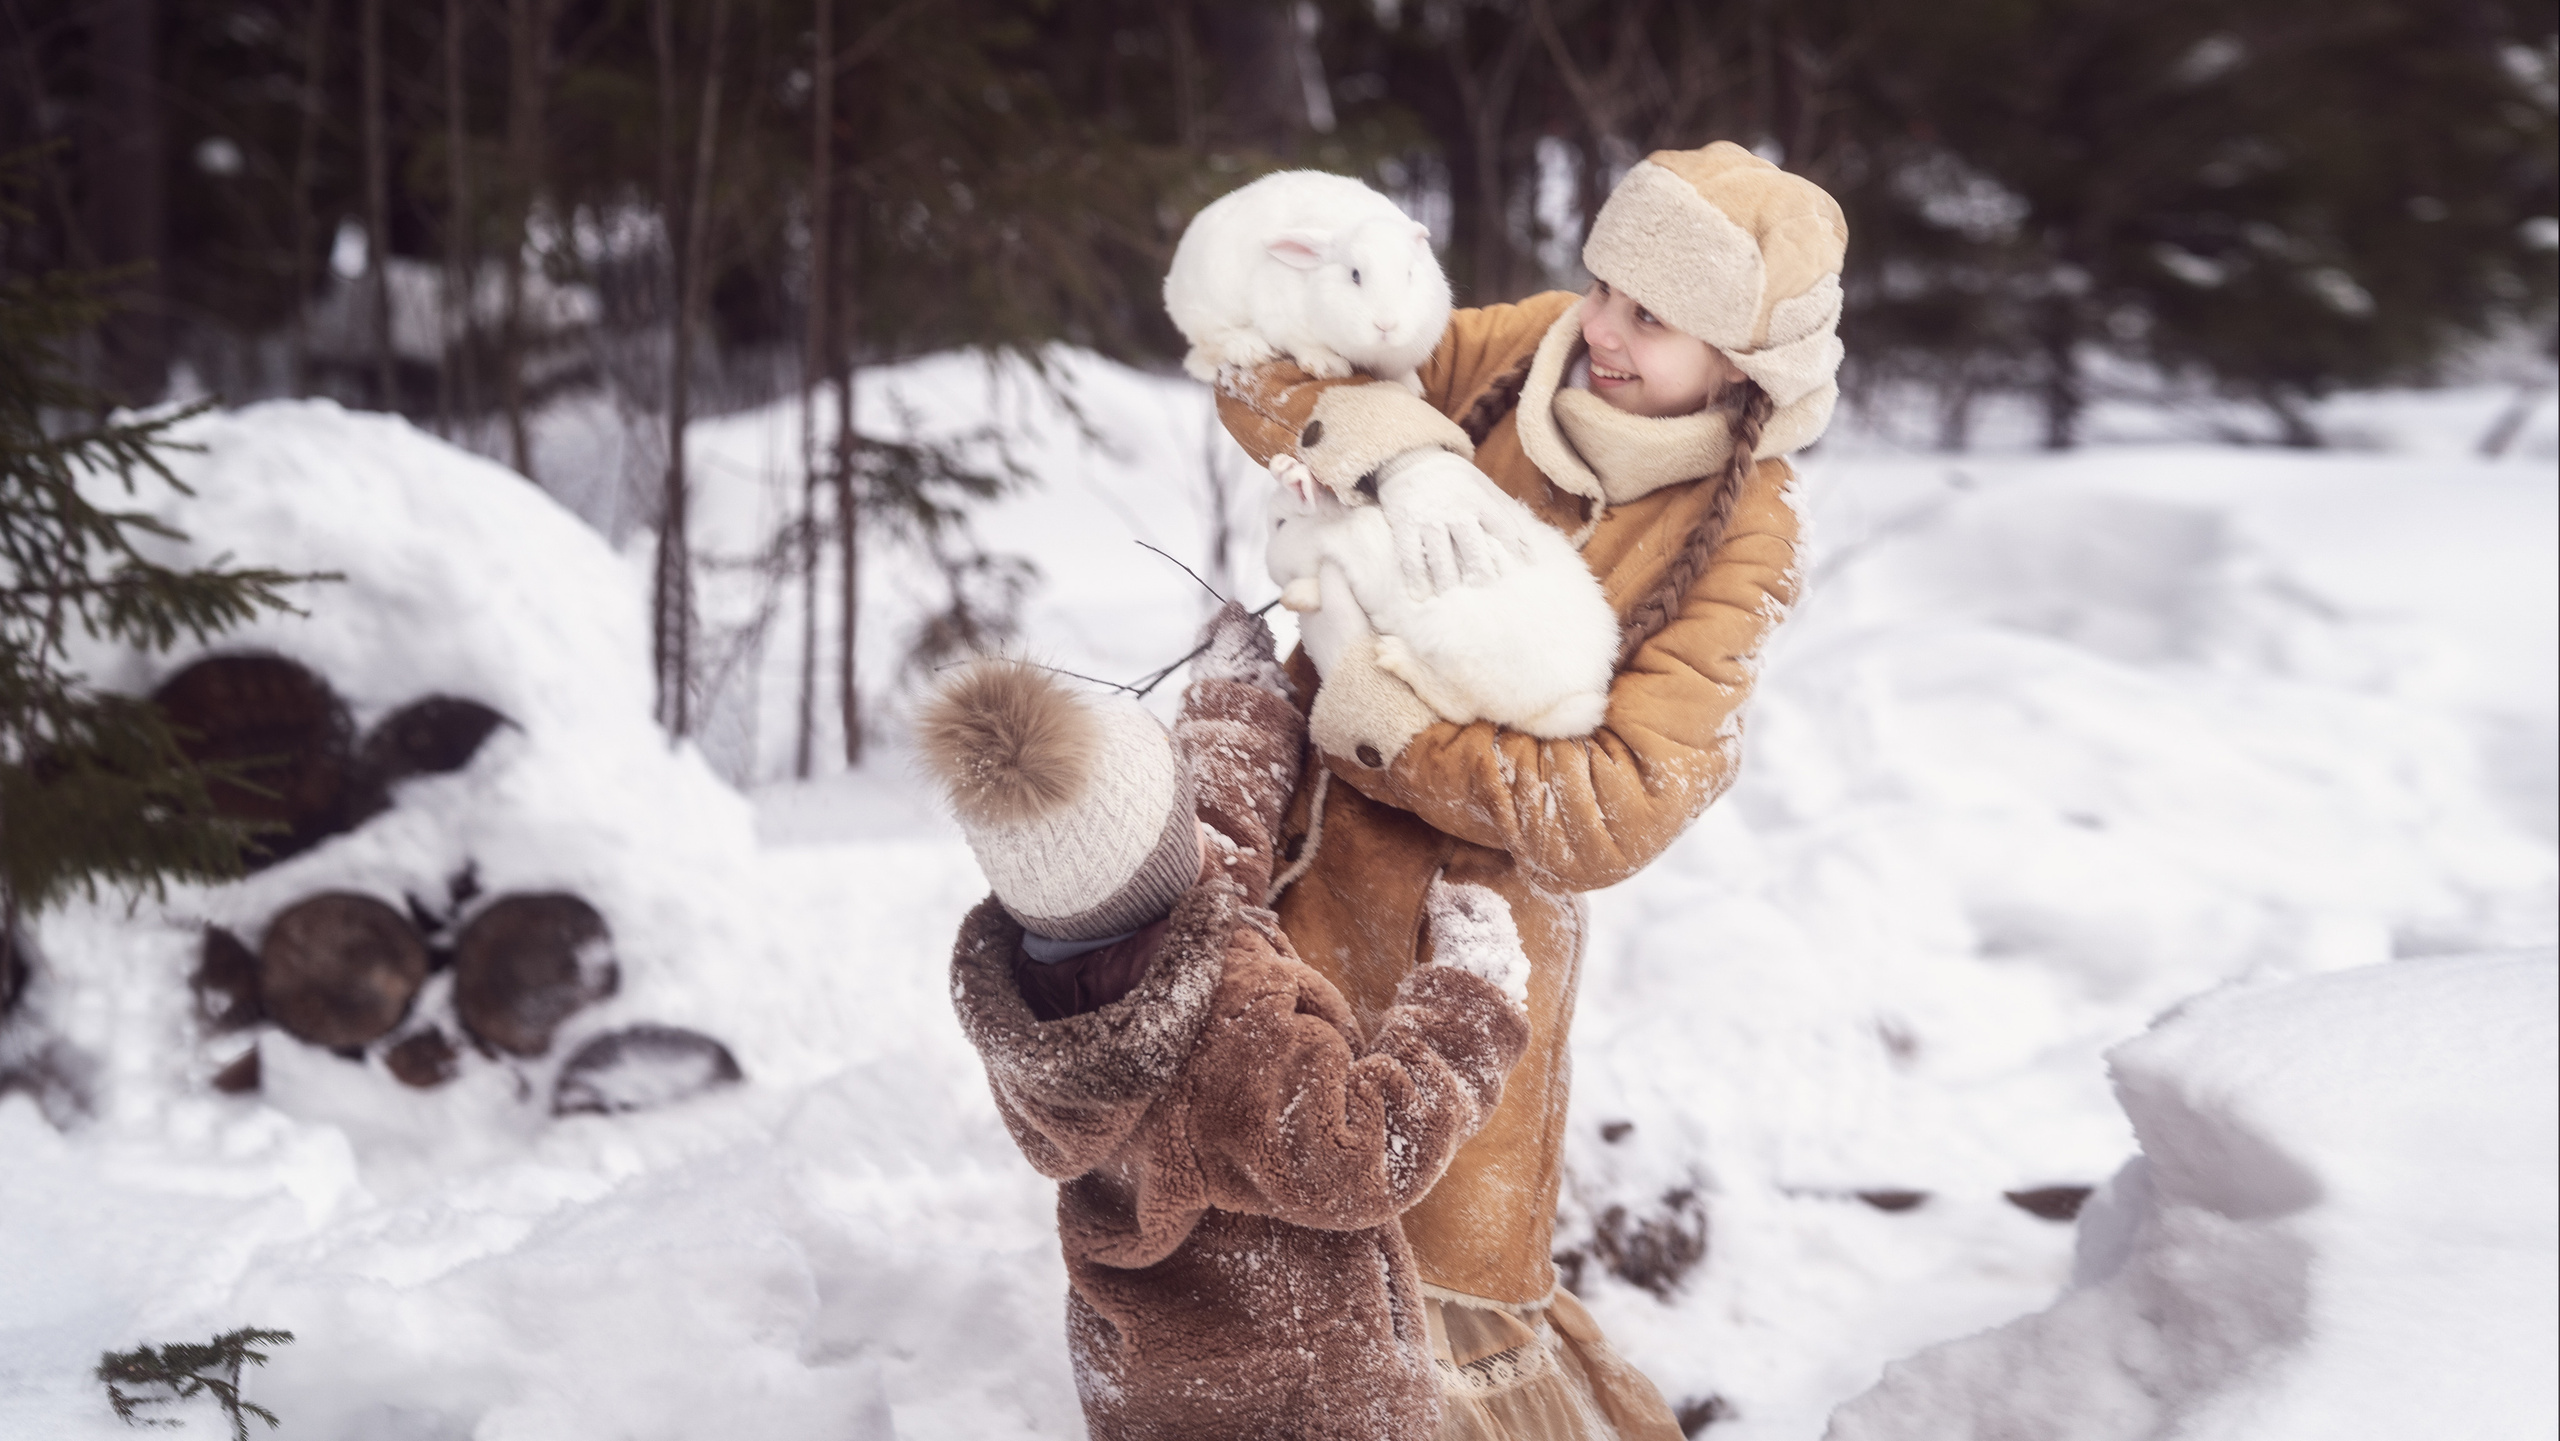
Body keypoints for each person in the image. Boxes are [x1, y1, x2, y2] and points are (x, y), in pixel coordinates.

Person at [1213, 142, 1847, 1438]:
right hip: (1284, 863)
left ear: (1739, 358)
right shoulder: (1517, 352)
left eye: (1651, 316)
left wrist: (1387, 724)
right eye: (1604, 286)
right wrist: (1407, 451)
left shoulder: (1747, 529)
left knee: (1442, 1285)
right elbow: (1252, 354)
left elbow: (1617, 808)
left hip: (1468, 943)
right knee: (1241, 1211)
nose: (1601, 327)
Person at [928, 604, 1537, 1440]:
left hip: (1145, 1381)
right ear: (1171, 872)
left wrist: (1234, 703)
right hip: (1300, 1399)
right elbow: (1363, 1150)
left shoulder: (1039, 999)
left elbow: (1211, 835)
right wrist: (1469, 999)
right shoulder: (1228, 1031)